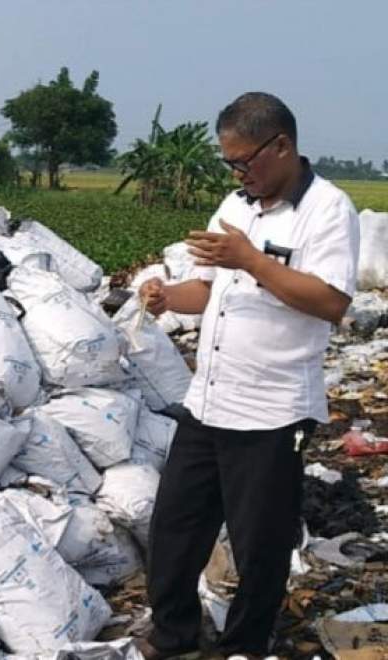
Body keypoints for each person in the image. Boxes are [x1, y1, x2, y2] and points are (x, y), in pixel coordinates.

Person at [134, 92, 360, 660]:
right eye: (229, 163)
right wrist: (166, 298)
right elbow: (206, 289)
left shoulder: (328, 210)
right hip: (209, 399)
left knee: (260, 544)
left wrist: (252, 260)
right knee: (175, 530)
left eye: (245, 161)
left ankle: (245, 646)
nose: (238, 173)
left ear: (282, 146)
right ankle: (174, 634)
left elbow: (331, 301)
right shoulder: (234, 208)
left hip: (273, 408)